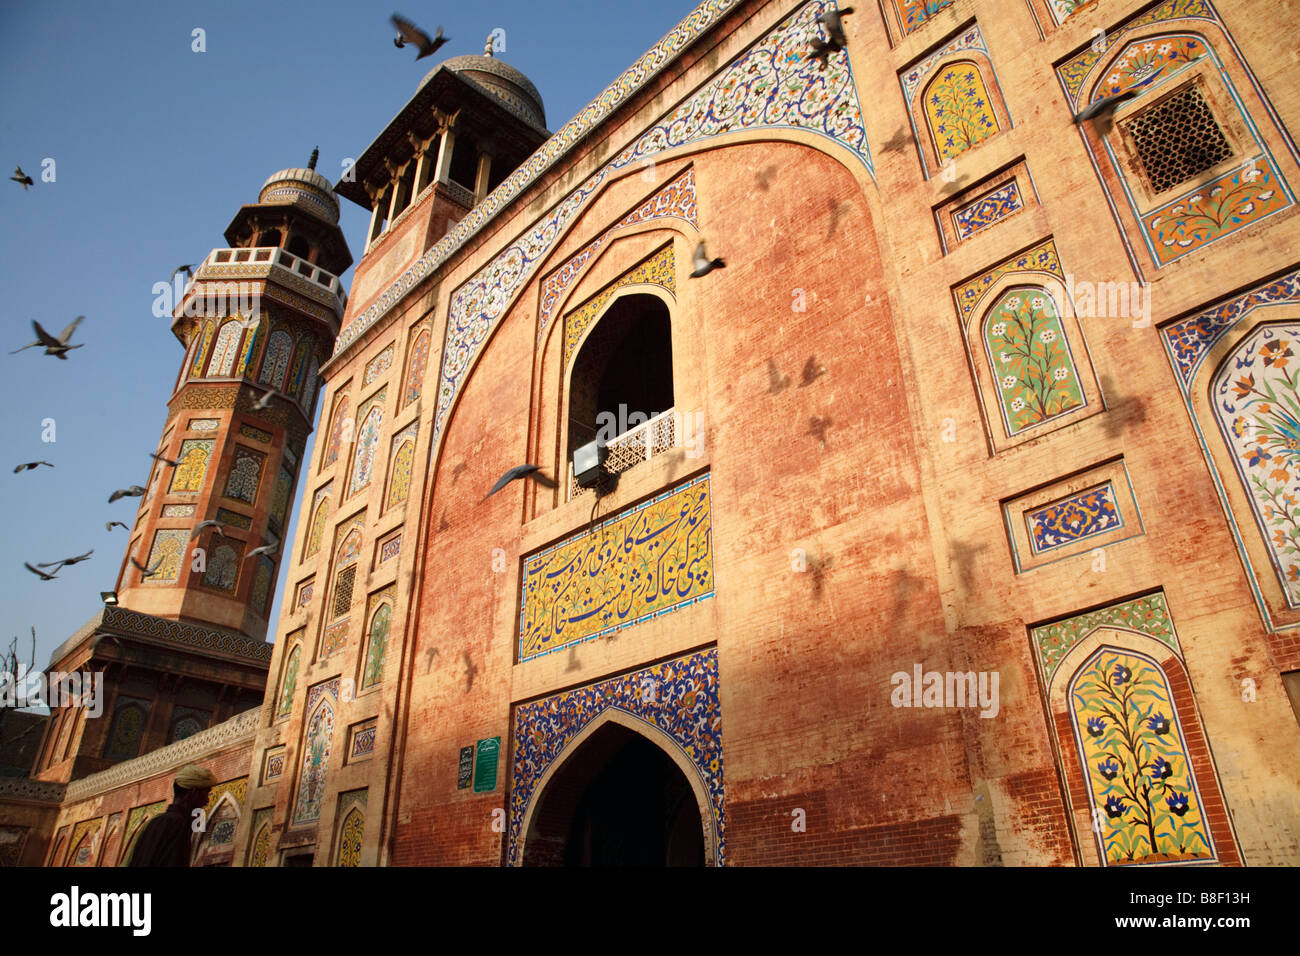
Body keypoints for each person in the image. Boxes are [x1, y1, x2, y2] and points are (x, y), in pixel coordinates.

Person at [127, 764, 216, 866]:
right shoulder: (178, 824)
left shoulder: (153, 823)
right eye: (206, 794)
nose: (207, 800)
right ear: (194, 793)